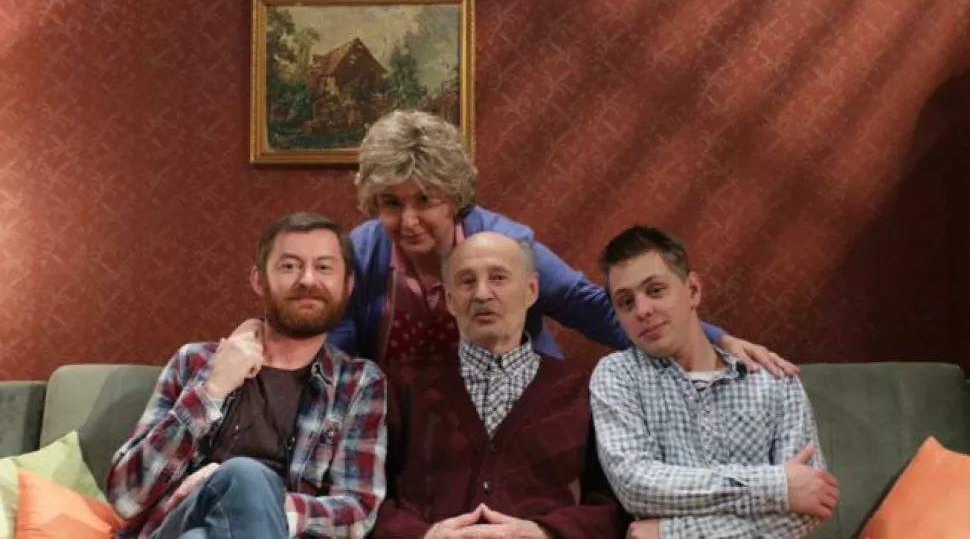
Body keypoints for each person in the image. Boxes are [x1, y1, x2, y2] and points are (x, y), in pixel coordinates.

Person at [325, 109, 793, 376]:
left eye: (425, 200)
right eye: (391, 203)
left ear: (453, 196)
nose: (408, 220)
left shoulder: (507, 243)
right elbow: (336, 355)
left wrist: (714, 340)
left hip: (518, 411)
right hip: (398, 422)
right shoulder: (361, 253)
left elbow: (590, 306)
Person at [107, 213, 388, 539]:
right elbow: (126, 496)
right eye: (289, 266)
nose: (307, 279)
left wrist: (249, 495)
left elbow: (358, 512)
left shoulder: (359, 384)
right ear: (259, 280)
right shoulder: (195, 362)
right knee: (242, 477)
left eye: (324, 267)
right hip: (177, 523)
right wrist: (212, 391)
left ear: (348, 285)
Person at [373, 232, 628, 538]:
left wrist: (545, 532)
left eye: (498, 277)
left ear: (531, 290)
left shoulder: (580, 390)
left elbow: (611, 504)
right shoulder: (402, 385)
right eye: (467, 281)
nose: (482, 294)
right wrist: (424, 535)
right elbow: (369, 495)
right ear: (450, 300)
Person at [589, 225, 839, 538]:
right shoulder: (617, 376)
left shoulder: (773, 380)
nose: (642, 310)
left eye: (655, 290)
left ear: (693, 290)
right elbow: (636, 486)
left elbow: (810, 505)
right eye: (626, 302)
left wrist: (672, 534)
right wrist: (776, 486)